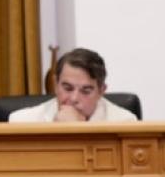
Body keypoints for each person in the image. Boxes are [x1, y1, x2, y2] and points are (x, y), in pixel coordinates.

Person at [9, 47, 138, 122]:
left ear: (101, 91)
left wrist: (77, 130)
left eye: (85, 91)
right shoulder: (22, 122)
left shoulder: (124, 123)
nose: (74, 98)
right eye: (67, 88)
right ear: (55, 85)